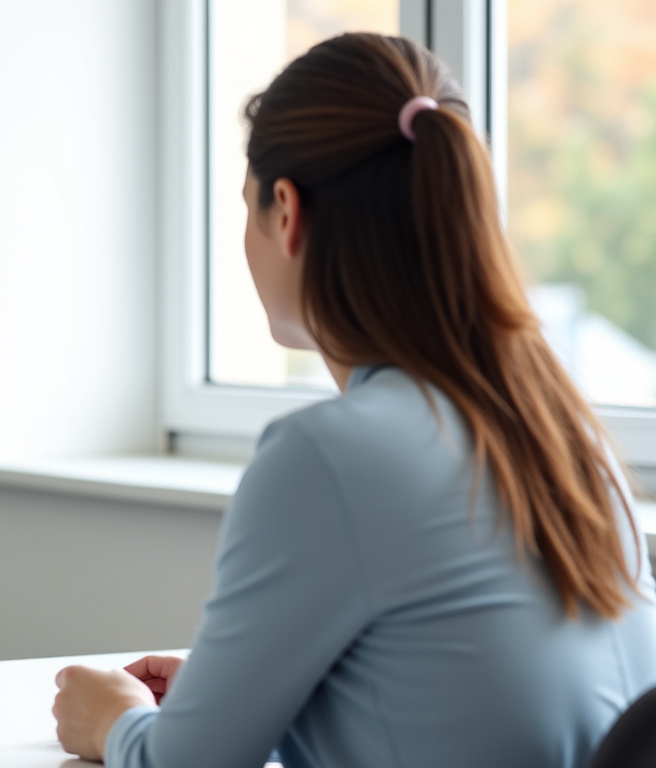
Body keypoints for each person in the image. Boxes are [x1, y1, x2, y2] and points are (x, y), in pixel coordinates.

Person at [52, 33, 656, 768]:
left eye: (247, 207)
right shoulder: (563, 430)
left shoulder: (326, 456)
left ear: (285, 211)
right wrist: (234, 698)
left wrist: (113, 720)